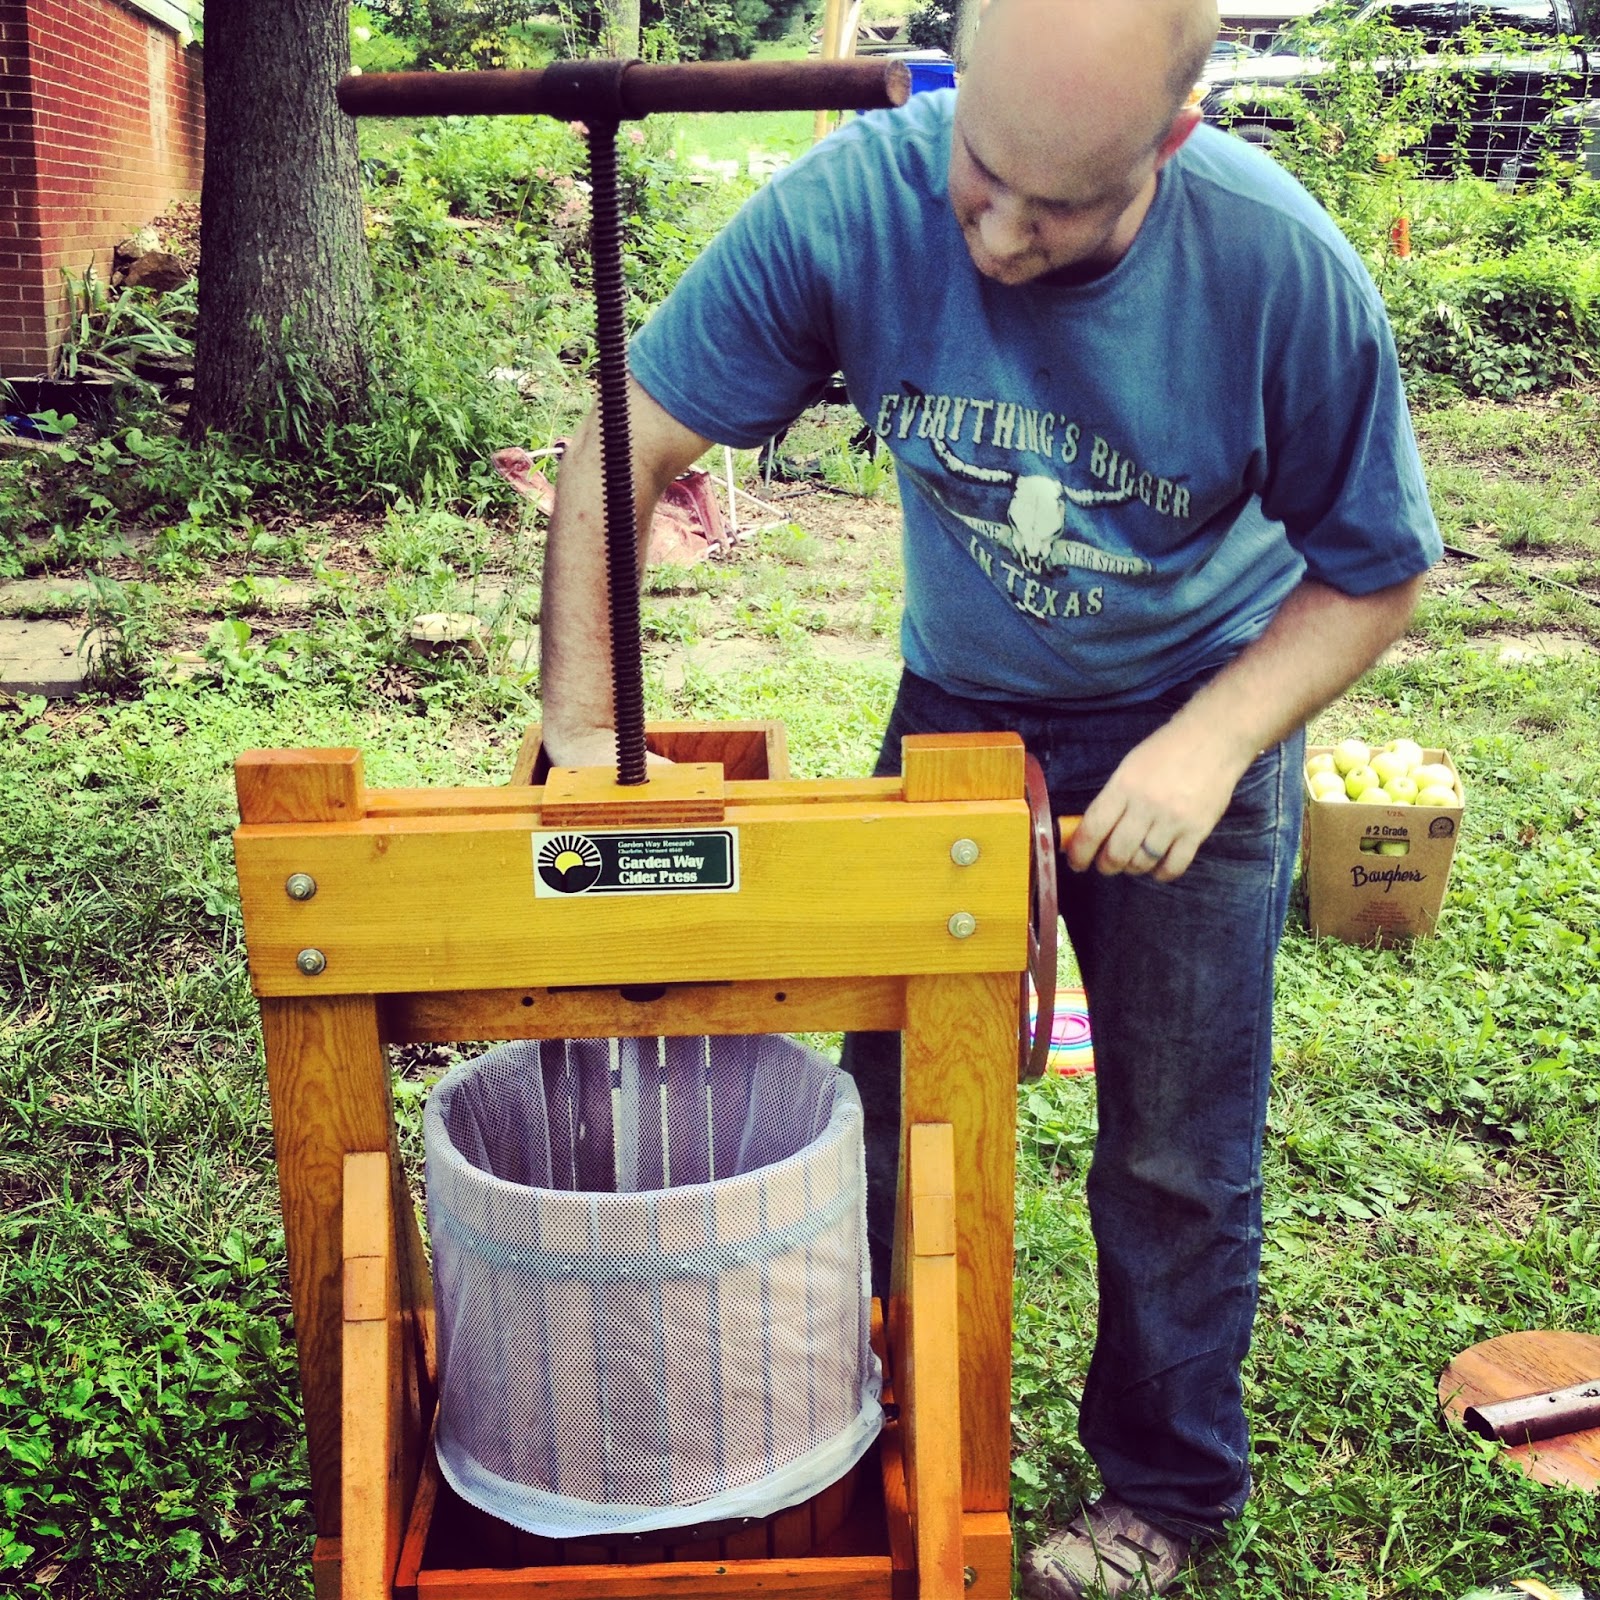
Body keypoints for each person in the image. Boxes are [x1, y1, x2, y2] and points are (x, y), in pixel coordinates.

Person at [539, 1, 1442, 1593]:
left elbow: (1377, 574)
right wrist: (585, 739)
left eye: (1065, 204)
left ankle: (1161, 1493)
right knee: (886, 1108)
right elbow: (621, 444)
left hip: (1193, 709)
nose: (1006, 239)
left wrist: (1212, 743)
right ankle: (851, 1412)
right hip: (959, 714)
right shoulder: (856, 201)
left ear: (1172, 138)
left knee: (1175, 1148)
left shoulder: (1277, 268)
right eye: (982, 178)